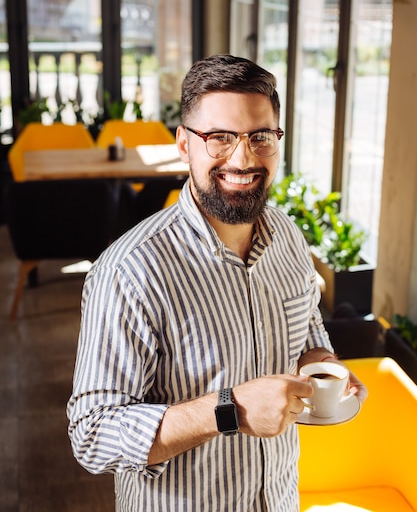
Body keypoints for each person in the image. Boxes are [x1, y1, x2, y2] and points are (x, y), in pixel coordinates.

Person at [67, 54, 367, 512]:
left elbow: (307, 329)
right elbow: (92, 436)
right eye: (219, 138)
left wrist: (323, 364)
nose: (243, 158)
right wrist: (230, 410)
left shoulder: (286, 234)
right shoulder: (130, 271)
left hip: (281, 499)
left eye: (260, 136)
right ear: (185, 144)